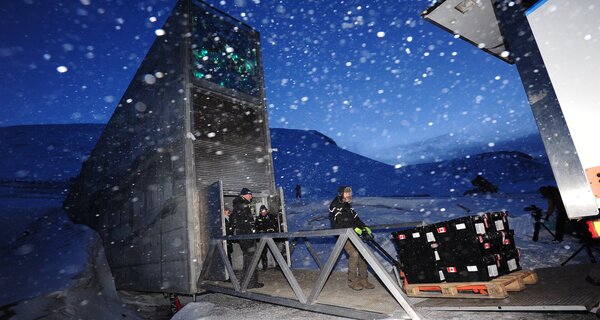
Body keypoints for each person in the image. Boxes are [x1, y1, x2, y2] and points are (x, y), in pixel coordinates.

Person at [329, 186, 375, 291]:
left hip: (352, 233)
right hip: (343, 234)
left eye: (349, 193)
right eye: (346, 193)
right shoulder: (335, 205)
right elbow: (341, 222)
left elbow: (356, 219)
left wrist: (364, 227)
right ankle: (352, 281)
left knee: (363, 254)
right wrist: (355, 228)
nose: (349, 195)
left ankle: (363, 279)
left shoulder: (348, 206)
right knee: (354, 254)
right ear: (341, 194)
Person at [231, 188, 263, 289]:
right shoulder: (241, 205)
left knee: (249, 259)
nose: (251, 196)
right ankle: (250, 283)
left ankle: (246, 282)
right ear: (244, 195)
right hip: (247, 236)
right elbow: (244, 221)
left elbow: (236, 220)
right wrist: (250, 230)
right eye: (249, 195)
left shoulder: (240, 204)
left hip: (245, 235)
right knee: (251, 259)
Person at [255, 205, 280, 269]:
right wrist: (259, 232)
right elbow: (256, 227)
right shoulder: (258, 218)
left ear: (266, 210)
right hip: (262, 237)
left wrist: (271, 230)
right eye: (261, 211)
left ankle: (278, 265)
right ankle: (264, 266)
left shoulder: (271, 217)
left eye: (264, 210)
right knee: (263, 252)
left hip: (271, 236)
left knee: (274, 251)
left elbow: (275, 225)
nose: (263, 212)